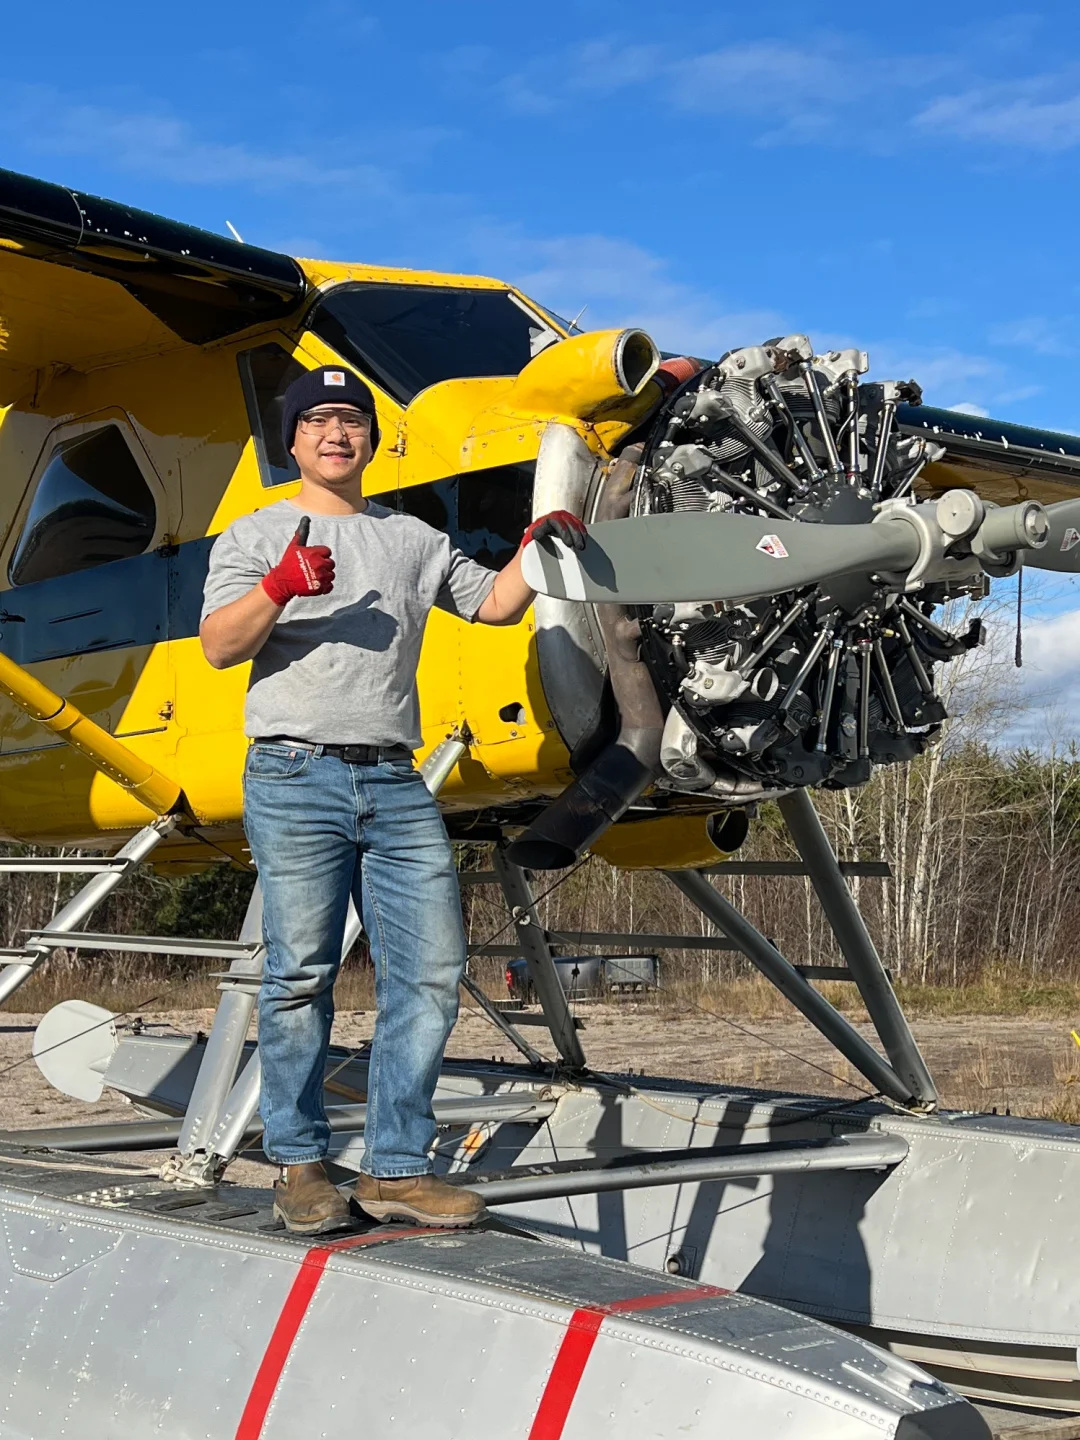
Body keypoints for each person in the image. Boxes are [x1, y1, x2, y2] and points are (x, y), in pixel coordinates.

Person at [200, 364, 586, 1234]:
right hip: (294, 775)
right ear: (295, 441)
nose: (337, 435)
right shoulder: (256, 533)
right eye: (320, 422)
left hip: (393, 778)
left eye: (352, 422)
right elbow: (220, 648)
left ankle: (396, 1171)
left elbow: (490, 605)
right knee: (300, 975)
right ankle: (300, 1168)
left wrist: (541, 547)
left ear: (370, 440)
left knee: (432, 974)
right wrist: (277, 587)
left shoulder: (411, 539)